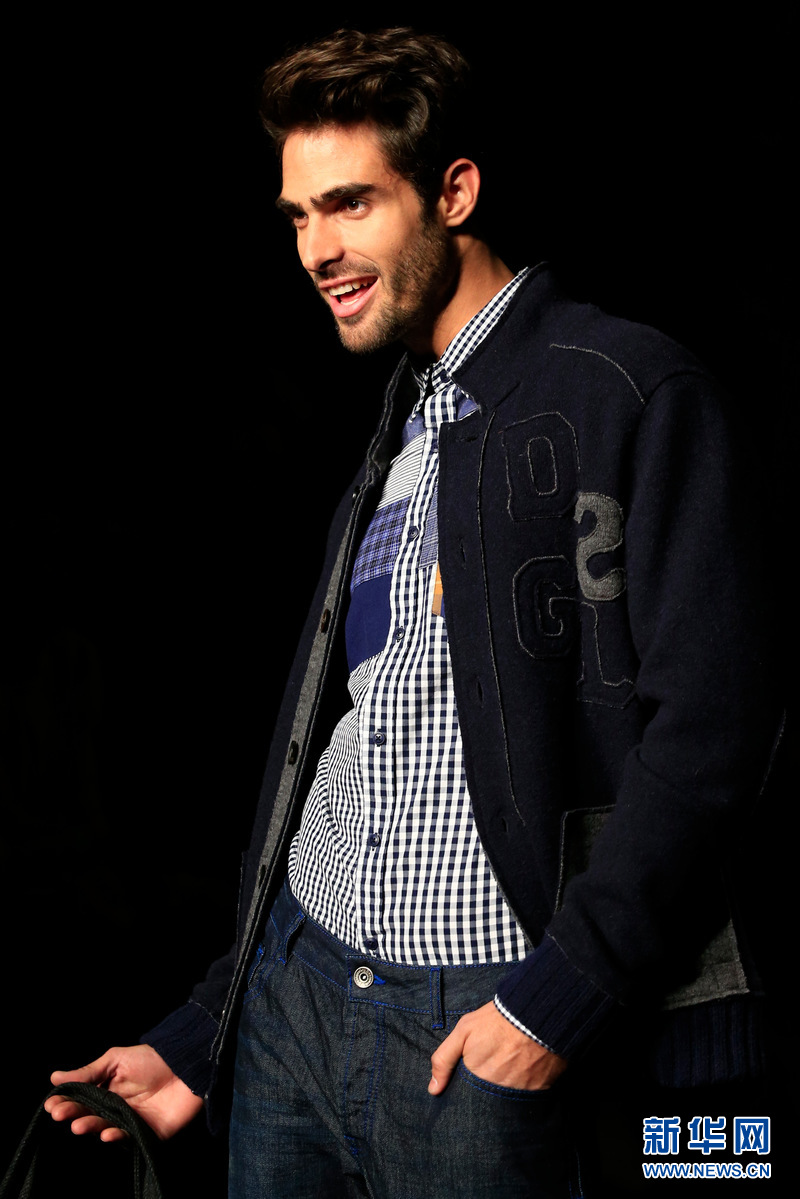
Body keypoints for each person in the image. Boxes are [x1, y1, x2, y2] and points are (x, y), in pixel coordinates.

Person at [44, 26, 782, 1197]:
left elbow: (716, 728)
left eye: (349, 204)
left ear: (454, 191)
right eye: (297, 216)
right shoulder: (402, 419)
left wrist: (558, 997)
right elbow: (358, 729)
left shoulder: (630, 389)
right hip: (293, 1005)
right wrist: (212, 1022)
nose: (315, 250)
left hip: (477, 1030)